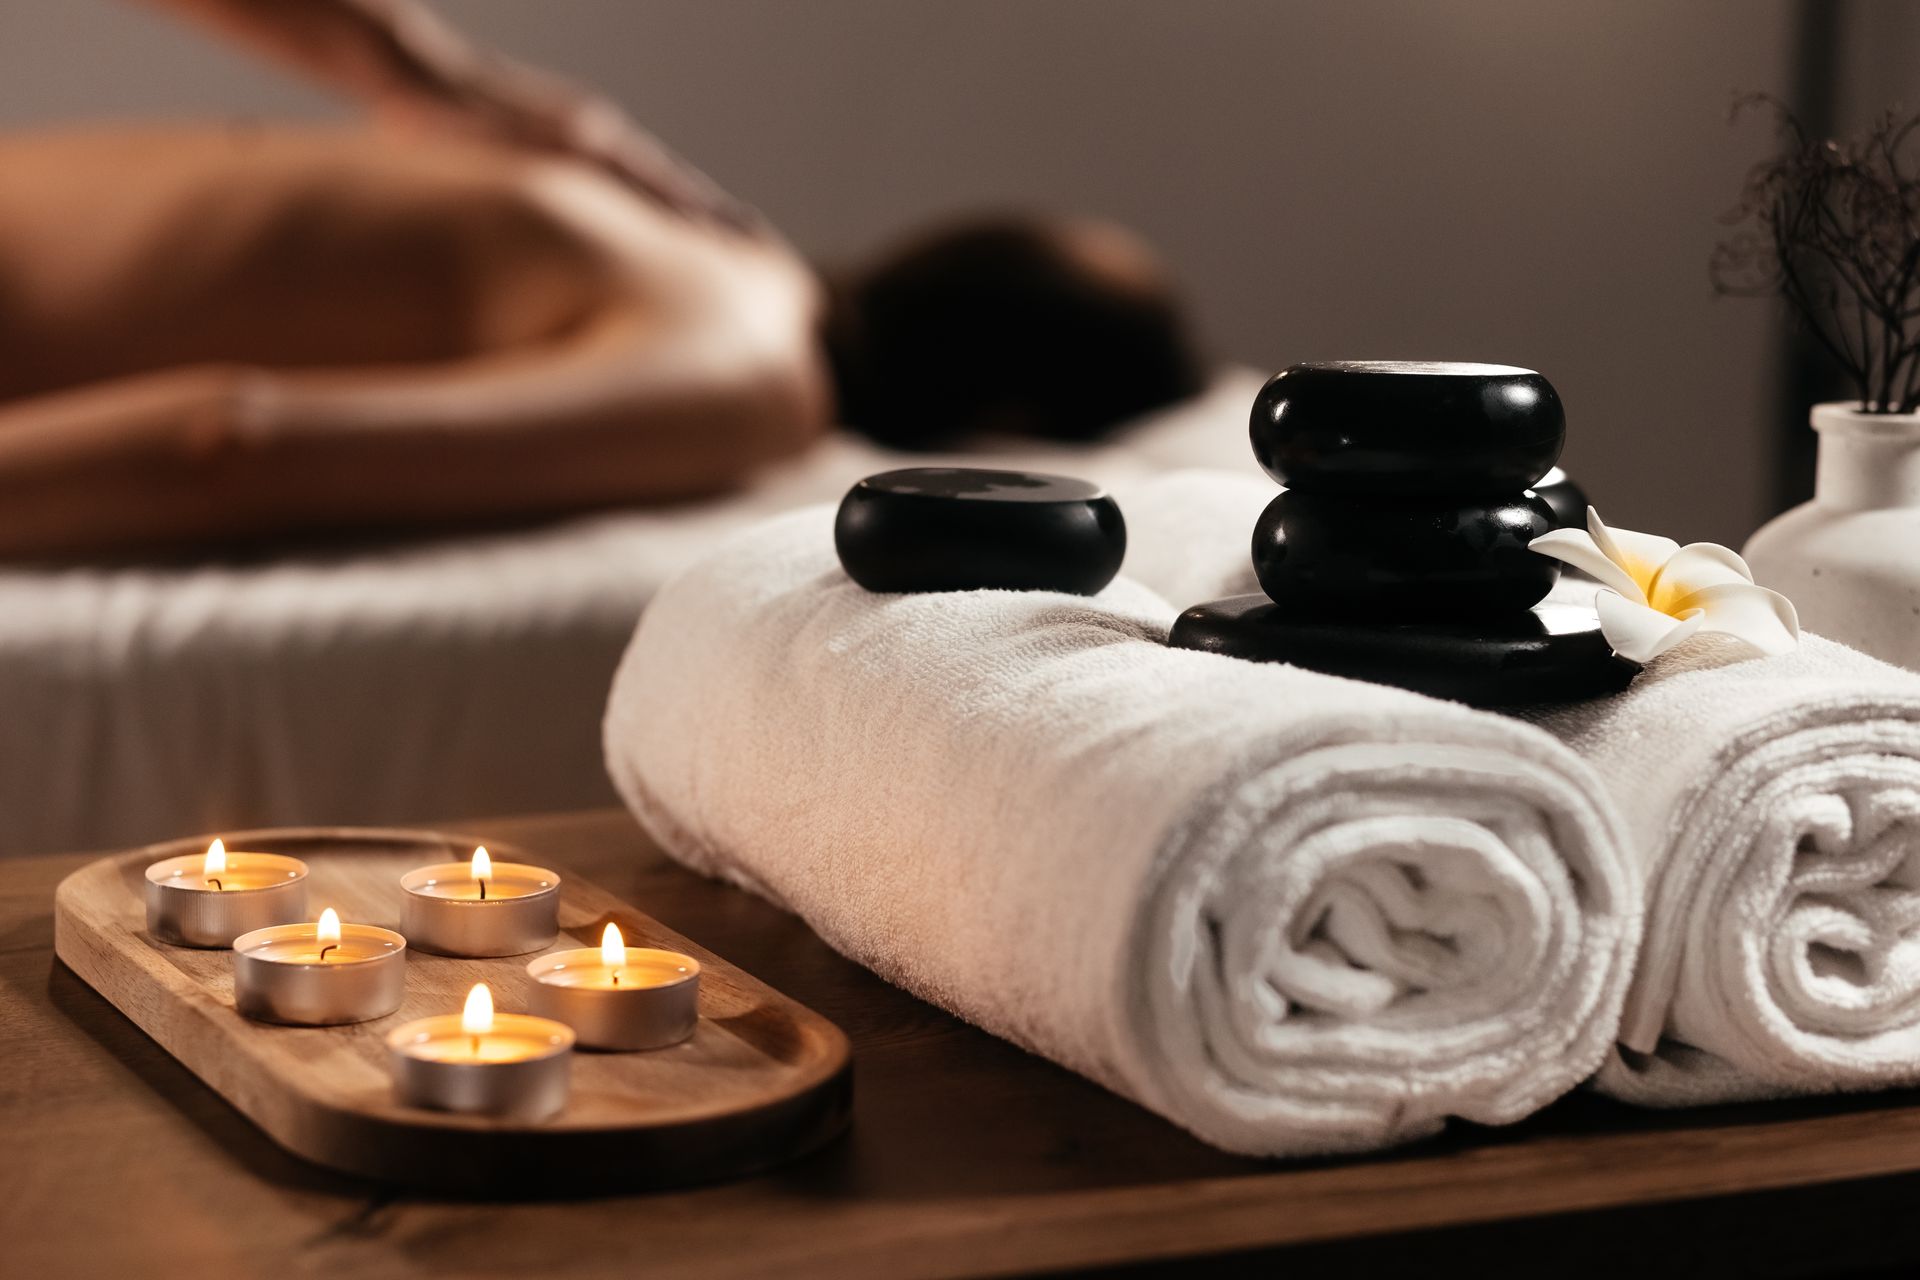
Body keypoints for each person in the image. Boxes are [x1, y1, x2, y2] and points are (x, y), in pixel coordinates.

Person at [0, 0, 1201, 557]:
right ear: (1008, 428)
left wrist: (415, 60)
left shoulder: (672, 216)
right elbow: (236, 440)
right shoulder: (747, 364)